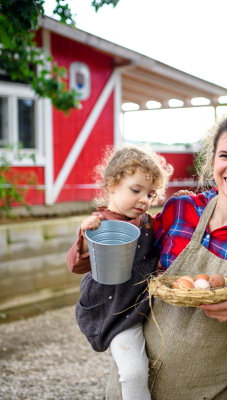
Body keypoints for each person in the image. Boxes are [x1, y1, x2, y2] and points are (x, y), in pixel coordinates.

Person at [105, 110, 227, 400]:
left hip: (210, 390)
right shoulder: (179, 211)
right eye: (224, 156)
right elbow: (134, 259)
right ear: (213, 160)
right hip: (137, 384)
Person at [66, 144, 173, 400]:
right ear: (112, 185)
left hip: (144, 301)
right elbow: (75, 265)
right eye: (136, 190)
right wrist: (84, 235)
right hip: (115, 309)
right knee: (134, 372)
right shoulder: (101, 224)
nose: (144, 200)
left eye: (150, 194)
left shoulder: (148, 223)